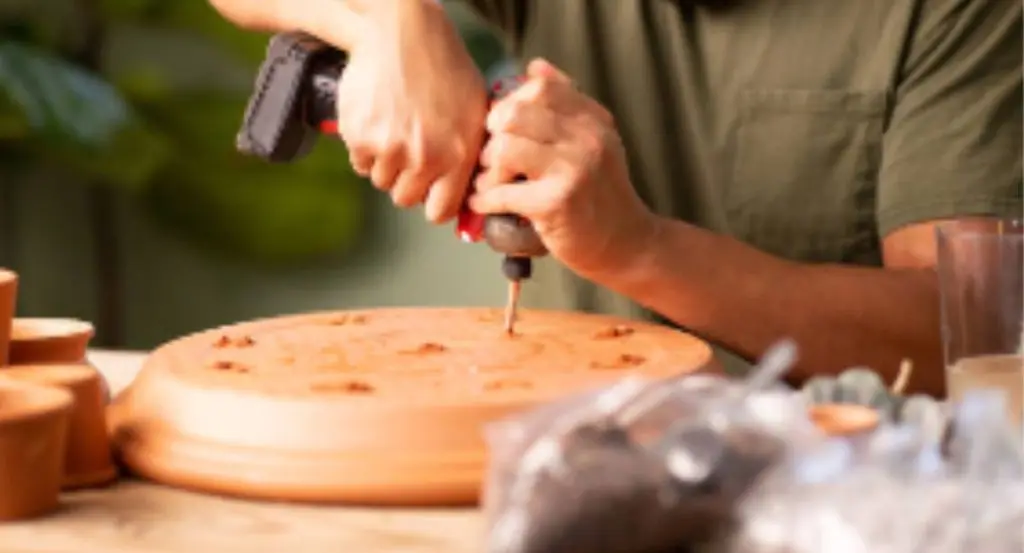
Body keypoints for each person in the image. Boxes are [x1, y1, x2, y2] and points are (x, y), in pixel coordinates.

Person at [208, 0, 1022, 394]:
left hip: (847, 500)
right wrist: (393, 26)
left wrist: (640, 248)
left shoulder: (963, 12)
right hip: (588, 465)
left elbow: (973, 338)